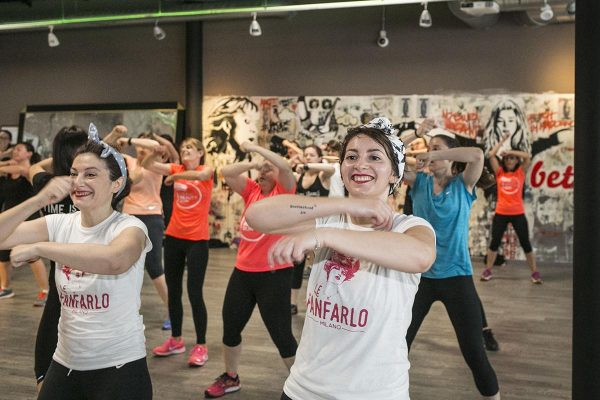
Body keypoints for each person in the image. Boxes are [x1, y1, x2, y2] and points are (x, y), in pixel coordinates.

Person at [245, 117, 436, 400]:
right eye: (351, 157)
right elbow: (256, 215)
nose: (360, 164)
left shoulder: (408, 226)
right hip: (302, 389)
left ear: (395, 174)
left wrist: (324, 235)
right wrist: (345, 204)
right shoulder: (331, 217)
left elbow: (420, 256)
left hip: (373, 393)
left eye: (374, 157)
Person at [0, 126, 152, 400]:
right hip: (65, 362)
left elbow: (115, 260)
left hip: (119, 365)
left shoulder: (130, 227)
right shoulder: (60, 223)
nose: (77, 182)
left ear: (116, 184)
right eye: (73, 174)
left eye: (90, 174)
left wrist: (39, 247)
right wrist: (38, 199)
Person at [404, 131, 501, 399]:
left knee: (474, 354)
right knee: (397, 345)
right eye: (430, 148)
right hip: (420, 278)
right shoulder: (418, 182)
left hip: (457, 278)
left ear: (450, 156)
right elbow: (390, 156)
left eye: (438, 149)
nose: (431, 153)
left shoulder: (464, 184)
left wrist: (433, 153)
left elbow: (477, 155)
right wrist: (415, 134)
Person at [204, 141, 298, 399]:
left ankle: (303, 386)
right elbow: (227, 172)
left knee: (282, 336)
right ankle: (231, 376)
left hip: (275, 275)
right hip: (242, 273)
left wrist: (258, 150)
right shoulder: (252, 192)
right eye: (261, 171)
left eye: (269, 170)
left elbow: (286, 166)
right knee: (230, 327)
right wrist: (256, 162)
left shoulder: (284, 193)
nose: (263, 174)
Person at [28, 125, 88, 390]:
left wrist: (58, 156)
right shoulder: (87, 186)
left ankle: (44, 378)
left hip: (60, 270)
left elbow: (33, 168)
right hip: (86, 271)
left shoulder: (47, 184)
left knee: (53, 320)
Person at [146, 138, 214, 367]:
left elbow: (201, 177)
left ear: (200, 153)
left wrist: (175, 177)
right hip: (174, 237)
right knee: (173, 292)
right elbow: (147, 165)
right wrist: (156, 152)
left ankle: (201, 345)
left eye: (190, 149)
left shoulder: (206, 169)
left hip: (198, 241)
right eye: (183, 148)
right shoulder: (176, 167)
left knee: (194, 292)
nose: (185, 151)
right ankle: (176, 340)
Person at [481, 133, 541, 283]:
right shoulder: (499, 172)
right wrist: (502, 142)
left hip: (517, 213)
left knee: (525, 243)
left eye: (512, 158)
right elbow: (491, 155)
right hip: (501, 213)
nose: (509, 160)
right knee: (494, 242)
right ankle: (488, 270)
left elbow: (527, 156)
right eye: (507, 158)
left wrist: (511, 151)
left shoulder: (520, 173)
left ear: (516, 160)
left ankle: (534, 273)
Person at [0, 142, 48, 304]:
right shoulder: (8, 174)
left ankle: (45, 290)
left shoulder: (30, 171)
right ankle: (5, 287)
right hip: (10, 220)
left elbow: (22, 170)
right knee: (3, 257)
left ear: (29, 153)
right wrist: (6, 161)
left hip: (29, 220)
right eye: (14, 149)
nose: (15, 151)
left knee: (31, 256)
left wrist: (5, 165)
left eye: (19, 149)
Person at [290, 144, 334, 315]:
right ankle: (292, 303)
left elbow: (330, 167)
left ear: (318, 158)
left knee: (320, 266)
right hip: (302, 227)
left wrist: (308, 166)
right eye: (306, 155)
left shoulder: (323, 176)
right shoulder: (298, 176)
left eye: (312, 155)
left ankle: (318, 302)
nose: (308, 157)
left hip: (319, 228)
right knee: (296, 265)